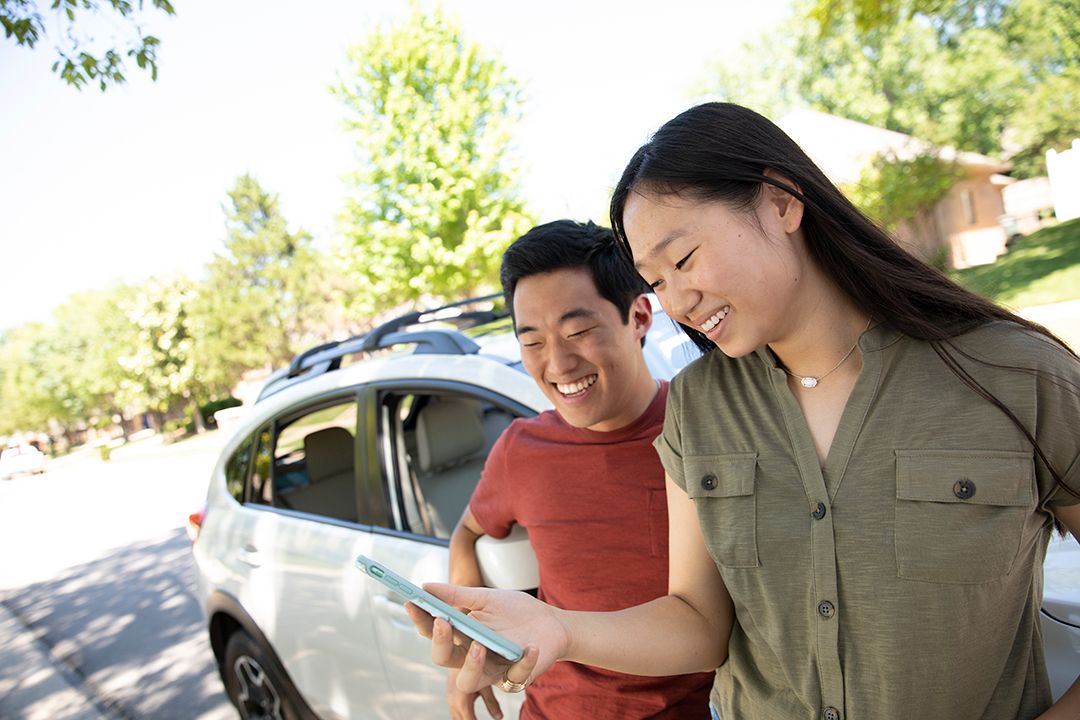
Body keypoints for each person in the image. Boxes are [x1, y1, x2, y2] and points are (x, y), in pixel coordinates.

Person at [409, 103, 1080, 720]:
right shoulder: (700, 407)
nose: (677, 303)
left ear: (781, 202)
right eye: (658, 281)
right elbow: (698, 623)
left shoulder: (1015, 375)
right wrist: (559, 629)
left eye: (684, 258)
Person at [443, 219, 714, 719]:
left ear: (638, 317)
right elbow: (467, 533)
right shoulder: (521, 450)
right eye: (533, 342)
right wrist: (467, 644)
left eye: (578, 331)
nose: (559, 364)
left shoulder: (707, 429)